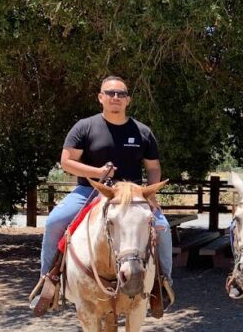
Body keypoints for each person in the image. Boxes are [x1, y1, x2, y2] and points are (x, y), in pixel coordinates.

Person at [30, 75, 174, 315]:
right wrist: (97, 172)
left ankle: (162, 284)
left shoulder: (142, 131)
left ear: (128, 100)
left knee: (162, 228)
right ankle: (48, 282)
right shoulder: (85, 127)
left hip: (131, 194)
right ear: (100, 97)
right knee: (55, 222)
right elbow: (67, 162)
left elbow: (153, 167)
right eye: (110, 93)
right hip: (91, 190)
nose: (115, 98)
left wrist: (151, 194)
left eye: (120, 94)